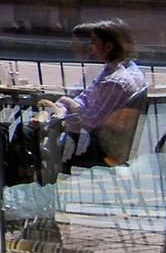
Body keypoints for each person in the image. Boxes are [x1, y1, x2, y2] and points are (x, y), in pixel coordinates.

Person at [42, 19, 148, 170]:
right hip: (94, 138)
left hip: (99, 147)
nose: (91, 48)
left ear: (109, 47)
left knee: (30, 136)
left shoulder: (115, 82)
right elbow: (84, 95)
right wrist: (64, 105)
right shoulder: (108, 71)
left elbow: (91, 121)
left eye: (94, 42)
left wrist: (67, 105)